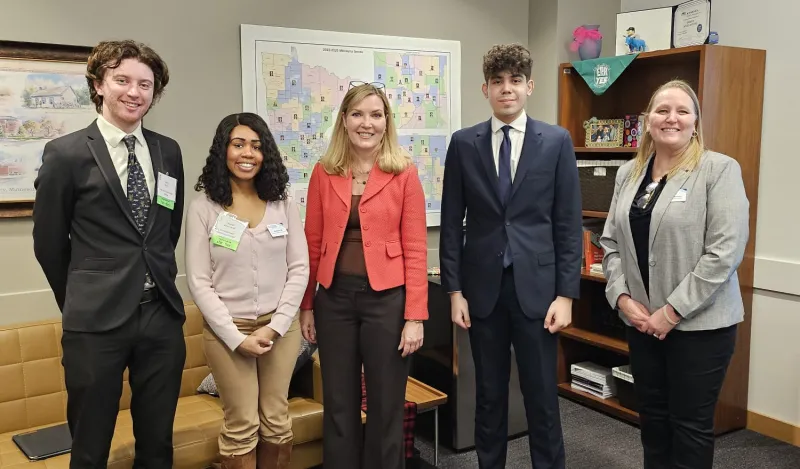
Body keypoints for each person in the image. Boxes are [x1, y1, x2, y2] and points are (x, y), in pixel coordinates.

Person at [32, 40, 185, 468]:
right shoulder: (65, 153)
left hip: (161, 315)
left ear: (155, 93)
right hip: (95, 321)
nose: (134, 92)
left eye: (145, 84)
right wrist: (82, 298)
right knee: (90, 444)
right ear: (99, 85)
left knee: (157, 443)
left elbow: (165, 231)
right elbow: (48, 244)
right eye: (122, 80)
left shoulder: (167, 150)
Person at [439, 44, 582, 469]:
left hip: (539, 294)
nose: (507, 89)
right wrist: (454, 291)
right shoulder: (464, 144)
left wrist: (566, 295)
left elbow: (568, 225)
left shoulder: (556, 142)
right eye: (498, 82)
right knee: (489, 396)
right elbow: (451, 223)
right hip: (482, 293)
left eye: (515, 81)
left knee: (541, 399)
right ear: (485, 88)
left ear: (529, 86)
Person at [599, 79, 749, 469]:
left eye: (682, 111)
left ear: (695, 122)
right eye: (662, 110)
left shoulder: (717, 170)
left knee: (690, 427)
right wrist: (622, 298)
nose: (671, 118)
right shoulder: (629, 174)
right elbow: (610, 243)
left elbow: (724, 253)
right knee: (653, 421)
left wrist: (672, 312)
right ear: (648, 120)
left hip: (699, 328)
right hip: (642, 322)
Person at [299, 81, 428, 469]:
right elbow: (312, 242)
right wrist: (307, 306)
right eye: (357, 114)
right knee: (339, 406)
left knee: (386, 406)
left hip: (387, 302)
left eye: (375, 115)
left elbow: (417, 249)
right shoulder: (324, 172)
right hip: (334, 301)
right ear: (344, 120)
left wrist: (415, 317)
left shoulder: (403, 173)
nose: (366, 123)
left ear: (386, 121)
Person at [185, 113, 308, 469]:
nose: (247, 153)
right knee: (241, 424)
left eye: (256, 146)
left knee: (276, 418)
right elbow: (199, 281)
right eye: (238, 144)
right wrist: (237, 338)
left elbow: (299, 269)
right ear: (223, 151)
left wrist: (277, 325)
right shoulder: (204, 207)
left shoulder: (282, 202)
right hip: (228, 333)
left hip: (280, 330)